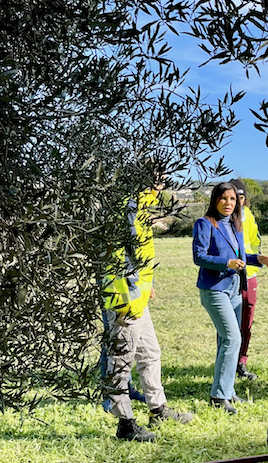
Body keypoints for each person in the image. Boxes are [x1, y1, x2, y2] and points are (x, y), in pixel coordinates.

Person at [100, 187, 194, 443]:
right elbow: (118, 257)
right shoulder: (126, 207)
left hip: (138, 298)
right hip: (124, 300)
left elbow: (139, 254)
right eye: (158, 178)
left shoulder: (140, 206)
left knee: (150, 353)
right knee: (120, 362)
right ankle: (125, 424)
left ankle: (158, 409)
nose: (162, 183)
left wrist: (146, 283)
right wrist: (127, 296)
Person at [193, 182, 268, 414]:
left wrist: (255, 258)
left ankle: (226, 392)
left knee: (225, 342)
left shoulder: (236, 225)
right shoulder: (205, 223)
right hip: (215, 289)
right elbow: (199, 256)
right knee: (232, 338)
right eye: (223, 198)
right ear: (215, 200)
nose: (228, 203)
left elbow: (239, 256)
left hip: (235, 288)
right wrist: (225, 263)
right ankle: (219, 397)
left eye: (232, 199)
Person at [229, 178, 262, 380]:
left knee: (246, 324)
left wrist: (255, 262)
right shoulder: (220, 218)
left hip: (249, 275)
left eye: (240, 197)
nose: (237, 201)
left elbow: (255, 242)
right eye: (233, 197)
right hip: (230, 277)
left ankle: (242, 362)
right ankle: (227, 362)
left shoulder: (248, 216)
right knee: (230, 323)